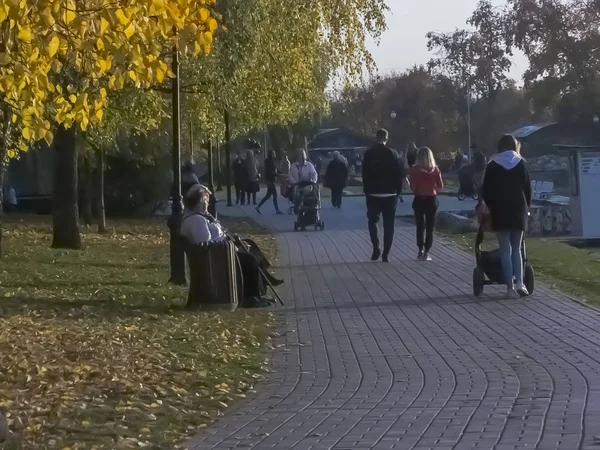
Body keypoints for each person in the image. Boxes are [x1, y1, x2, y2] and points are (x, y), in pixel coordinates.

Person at [180, 184, 283, 308]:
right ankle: (250, 297)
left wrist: (233, 241)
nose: (208, 203)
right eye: (206, 200)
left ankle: (260, 291)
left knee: (251, 245)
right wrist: (231, 245)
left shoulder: (200, 217)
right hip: (217, 257)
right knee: (249, 259)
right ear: (198, 202)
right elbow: (206, 245)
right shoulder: (196, 220)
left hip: (222, 250)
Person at [482, 134, 532, 299]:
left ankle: (509, 287)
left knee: (505, 250)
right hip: (519, 209)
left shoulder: (492, 164)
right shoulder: (521, 163)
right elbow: (527, 188)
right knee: (517, 249)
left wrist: (488, 206)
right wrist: (528, 206)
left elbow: (486, 190)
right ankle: (520, 283)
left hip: (500, 210)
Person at [362, 129, 404, 263]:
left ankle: (376, 247)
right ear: (387, 138)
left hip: (373, 193)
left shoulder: (369, 153)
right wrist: (398, 191)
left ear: (376, 137)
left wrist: (367, 190)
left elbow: (365, 173)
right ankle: (386, 253)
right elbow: (399, 173)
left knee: (373, 221)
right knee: (389, 224)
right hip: (390, 193)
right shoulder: (393, 153)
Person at [410, 147, 443, 261]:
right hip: (432, 199)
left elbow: (413, 187)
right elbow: (440, 186)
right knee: (430, 226)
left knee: (420, 226)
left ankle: (420, 250)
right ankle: (427, 251)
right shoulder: (435, 169)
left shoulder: (414, 169)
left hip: (419, 199)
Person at [256, 150, 282, 215]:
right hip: (269, 180)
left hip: (271, 180)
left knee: (268, 195)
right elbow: (270, 171)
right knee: (274, 195)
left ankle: (258, 206)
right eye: (273, 153)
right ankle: (277, 210)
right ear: (271, 154)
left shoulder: (272, 161)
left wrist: (280, 173)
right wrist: (277, 174)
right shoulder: (268, 161)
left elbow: (275, 169)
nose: (275, 154)